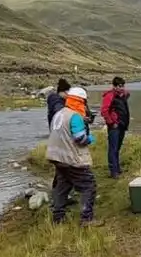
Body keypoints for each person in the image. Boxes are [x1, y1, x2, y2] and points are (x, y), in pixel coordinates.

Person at [47, 87, 102, 227]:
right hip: (71, 158)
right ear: (80, 101)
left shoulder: (59, 114)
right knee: (88, 186)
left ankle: (58, 218)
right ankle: (86, 219)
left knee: (62, 187)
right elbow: (80, 138)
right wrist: (90, 138)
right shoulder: (75, 116)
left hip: (57, 157)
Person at [101, 76, 131, 178]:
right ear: (114, 86)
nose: (122, 88)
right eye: (119, 86)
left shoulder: (123, 96)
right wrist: (111, 122)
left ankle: (117, 168)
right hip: (114, 125)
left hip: (122, 125)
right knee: (113, 148)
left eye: (123, 86)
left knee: (117, 148)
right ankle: (113, 171)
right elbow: (104, 111)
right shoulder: (110, 96)